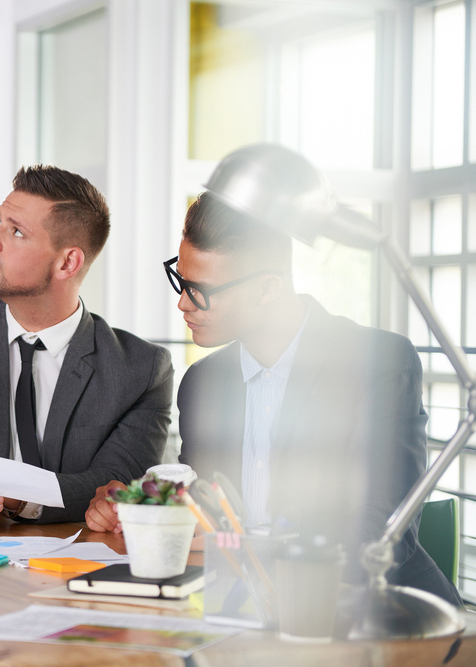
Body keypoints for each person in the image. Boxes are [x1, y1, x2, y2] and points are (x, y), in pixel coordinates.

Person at [85, 192, 462, 605]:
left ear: (266, 289)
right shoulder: (203, 382)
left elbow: (379, 535)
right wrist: (142, 511)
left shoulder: (377, 363)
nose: (183, 303)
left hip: (379, 611)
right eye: (181, 281)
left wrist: (244, 547)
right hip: (246, 608)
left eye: (201, 290)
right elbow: (211, 508)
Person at [0, 165, 173, 534]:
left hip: (76, 561)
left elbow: (114, 484)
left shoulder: (143, 369)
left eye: (16, 231)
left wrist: (8, 489)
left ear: (67, 262)